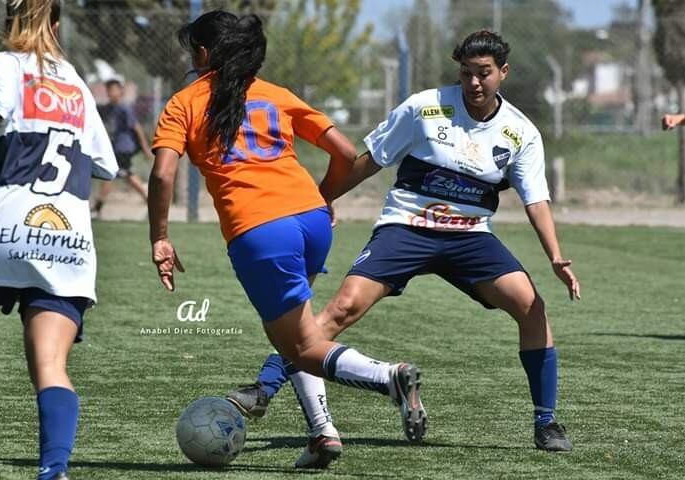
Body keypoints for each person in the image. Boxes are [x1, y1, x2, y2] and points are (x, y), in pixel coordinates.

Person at [227, 29, 580, 453]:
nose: (474, 83)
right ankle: (263, 388)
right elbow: (367, 163)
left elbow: (536, 200)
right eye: (466, 73)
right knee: (343, 307)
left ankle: (546, 422)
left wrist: (556, 256)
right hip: (406, 228)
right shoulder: (424, 108)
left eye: (484, 73)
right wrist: (316, 203)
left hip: (470, 237)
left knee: (531, 306)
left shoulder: (521, 133)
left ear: (503, 73)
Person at [148, 10, 427, 469]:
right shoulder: (275, 95)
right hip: (310, 220)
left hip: (260, 230)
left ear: (201, 53)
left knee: (302, 346)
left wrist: (160, 237)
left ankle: (389, 379)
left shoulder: (185, 102)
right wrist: (322, 197)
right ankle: (322, 435)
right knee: (296, 334)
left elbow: (161, 174)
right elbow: (343, 150)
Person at [0, 1, 118, 479]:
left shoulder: (5, 62)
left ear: (9, 22)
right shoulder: (75, 81)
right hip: (66, 237)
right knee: (50, 366)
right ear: (56, 23)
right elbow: (105, 164)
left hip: (5, 226)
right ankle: (54, 471)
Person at [91, 77, 154, 218]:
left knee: (110, 175)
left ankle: (97, 207)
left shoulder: (124, 108)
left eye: (114, 89)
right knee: (128, 176)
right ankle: (151, 202)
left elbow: (137, 128)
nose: (111, 92)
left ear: (121, 91)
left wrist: (145, 149)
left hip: (123, 149)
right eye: (109, 89)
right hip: (117, 149)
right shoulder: (109, 108)